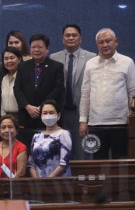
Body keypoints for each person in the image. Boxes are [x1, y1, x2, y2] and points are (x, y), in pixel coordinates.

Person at [79, 28, 135, 159]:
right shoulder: (90, 64)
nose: (105, 45)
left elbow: (132, 92)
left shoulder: (127, 62)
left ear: (116, 42)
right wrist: (83, 121)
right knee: (98, 163)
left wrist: (133, 120)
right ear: (97, 45)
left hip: (121, 123)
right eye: (101, 42)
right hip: (95, 124)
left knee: (121, 163)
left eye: (108, 41)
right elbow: (85, 94)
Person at [50, 24, 96, 160]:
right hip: (61, 113)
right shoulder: (53, 57)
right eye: (67, 35)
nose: (71, 38)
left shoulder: (91, 57)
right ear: (63, 39)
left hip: (81, 113)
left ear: (80, 39)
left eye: (74, 35)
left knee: (83, 151)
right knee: (62, 152)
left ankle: (82, 180)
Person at [14, 34, 64, 149]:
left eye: (40, 47)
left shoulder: (56, 67)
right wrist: (27, 106)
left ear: (47, 49)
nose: (36, 50)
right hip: (27, 117)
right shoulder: (22, 66)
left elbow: (58, 89)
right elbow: (17, 89)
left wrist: (42, 107)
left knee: (48, 151)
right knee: (27, 151)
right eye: (33, 47)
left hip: (47, 118)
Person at [28, 100, 72, 178]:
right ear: (41, 116)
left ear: (58, 115)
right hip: (38, 184)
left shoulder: (64, 134)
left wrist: (48, 180)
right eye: (45, 113)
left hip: (59, 182)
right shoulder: (36, 136)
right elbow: (31, 163)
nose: (48, 115)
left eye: (51, 113)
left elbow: (64, 163)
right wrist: (37, 181)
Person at [1, 47, 23, 119]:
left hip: (21, 117)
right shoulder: (4, 78)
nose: (9, 61)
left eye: (12, 58)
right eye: (6, 59)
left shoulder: (24, 77)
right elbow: (2, 102)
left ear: (19, 59)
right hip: (6, 117)